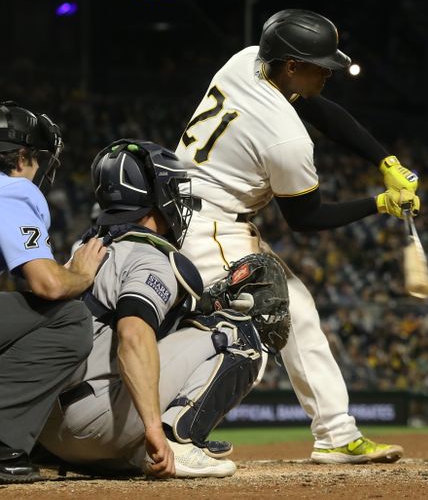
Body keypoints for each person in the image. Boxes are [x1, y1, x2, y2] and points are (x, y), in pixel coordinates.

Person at [175, 9, 420, 464]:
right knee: (275, 316)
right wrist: (378, 204)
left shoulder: (247, 60)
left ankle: (336, 432)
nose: (329, 72)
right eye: (320, 65)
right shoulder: (285, 139)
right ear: (291, 65)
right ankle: (178, 431)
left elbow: (320, 110)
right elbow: (306, 219)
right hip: (210, 226)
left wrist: (382, 160)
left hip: (183, 208)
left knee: (294, 310)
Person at [38, 140, 268, 478]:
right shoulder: (149, 257)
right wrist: (152, 429)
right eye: (172, 188)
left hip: (46, 427)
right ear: (154, 197)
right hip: (94, 426)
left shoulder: (83, 249)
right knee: (238, 332)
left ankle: (128, 450)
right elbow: (133, 334)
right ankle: (178, 437)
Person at [0, 102, 106, 483]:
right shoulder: (11, 190)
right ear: (23, 156)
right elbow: (49, 284)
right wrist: (79, 273)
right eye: (37, 158)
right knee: (68, 317)